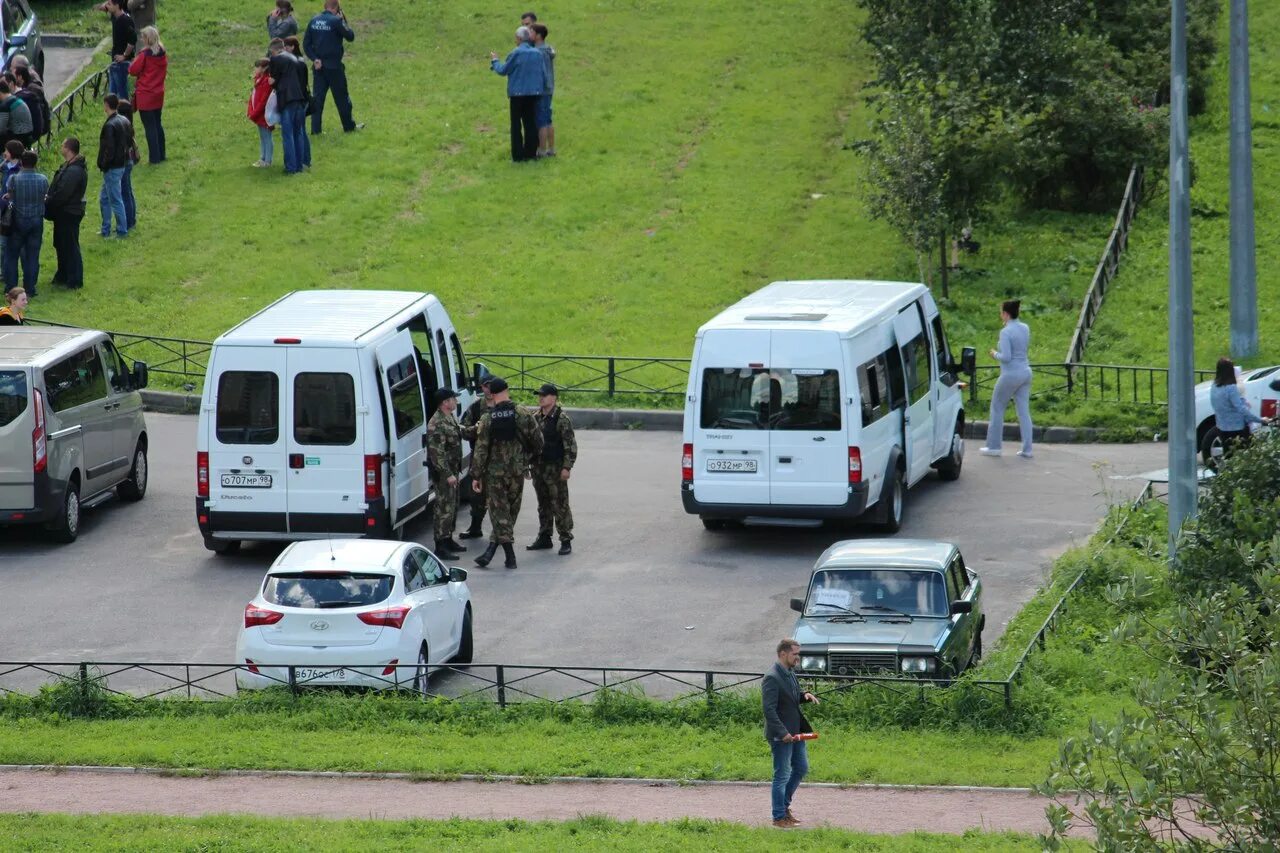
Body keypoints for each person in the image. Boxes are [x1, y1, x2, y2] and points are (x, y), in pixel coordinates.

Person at [470, 376, 543, 569]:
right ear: (507, 390)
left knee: (499, 513)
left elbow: (481, 449)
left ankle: (503, 554)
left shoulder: (487, 419)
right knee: (509, 512)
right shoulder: (523, 414)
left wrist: (476, 475)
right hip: (516, 472)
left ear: (492, 394)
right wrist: (526, 460)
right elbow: (538, 442)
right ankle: (499, 554)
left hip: (494, 475)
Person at [762, 638, 820, 829]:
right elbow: (769, 710)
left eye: (798, 653)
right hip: (782, 736)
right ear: (783, 654)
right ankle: (778, 817)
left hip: (796, 733)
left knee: (801, 768)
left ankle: (784, 807)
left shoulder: (789, 673)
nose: (798, 657)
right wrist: (782, 732)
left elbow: (791, 697)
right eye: (795, 654)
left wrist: (804, 696)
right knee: (782, 775)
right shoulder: (772, 677)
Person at [980, 299, 1033, 458]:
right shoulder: (1025, 328)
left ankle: (994, 447)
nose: (1000, 315)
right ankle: (1027, 449)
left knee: (997, 407)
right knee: (1024, 412)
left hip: (1010, 374)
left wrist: (994, 353)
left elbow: (1007, 357)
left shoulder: (1005, 332)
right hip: (1026, 372)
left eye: (1001, 312)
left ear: (1006, 314)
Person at [527, 383, 576, 555]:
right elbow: (530, 443)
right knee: (543, 504)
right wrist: (528, 464)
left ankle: (565, 538)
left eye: (544, 395)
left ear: (554, 398)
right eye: (539, 395)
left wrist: (566, 467)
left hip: (555, 469)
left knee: (560, 504)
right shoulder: (535, 417)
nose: (541, 398)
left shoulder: (562, 419)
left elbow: (570, 446)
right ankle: (545, 536)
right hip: (539, 468)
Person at [490, 27, 548, 163]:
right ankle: (531, 154)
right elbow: (544, 75)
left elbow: (503, 70)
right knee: (531, 124)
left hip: (517, 94)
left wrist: (495, 61)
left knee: (516, 125)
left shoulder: (516, 53)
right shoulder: (538, 54)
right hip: (534, 93)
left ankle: (517, 155)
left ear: (520, 39)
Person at [304, 0, 361, 135]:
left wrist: (314, 59)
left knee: (318, 99)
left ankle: (316, 130)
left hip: (318, 67)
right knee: (342, 98)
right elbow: (350, 36)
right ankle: (349, 126)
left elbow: (306, 44)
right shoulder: (336, 21)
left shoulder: (313, 20)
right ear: (336, 8)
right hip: (334, 67)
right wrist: (343, 20)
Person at [427, 388, 469, 558]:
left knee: (452, 506)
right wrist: (447, 474)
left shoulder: (449, 418)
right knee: (443, 508)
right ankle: (441, 545)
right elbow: (437, 453)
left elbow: (457, 432)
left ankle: (448, 538)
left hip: (453, 470)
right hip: (445, 474)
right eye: (453, 399)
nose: (456, 401)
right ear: (445, 402)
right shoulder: (437, 423)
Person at [44, 138, 88, 290]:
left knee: (70, 245)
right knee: (61, 244)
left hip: (69, 212)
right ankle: (63, 274)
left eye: (63, 145)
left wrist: (49, 200)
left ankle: (75, 279)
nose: (61, 147)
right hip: (63, 212)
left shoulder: (74, 170)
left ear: (68, 149)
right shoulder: (69, 167)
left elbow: (64, 193)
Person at [2, 151, 47, 295]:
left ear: (21, 162)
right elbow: (45, 195)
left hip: (17, 220)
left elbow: (10, 196)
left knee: (12, 255)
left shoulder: (14, 179)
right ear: (35, 163)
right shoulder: (43, 179)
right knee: (32, 255)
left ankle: (11, 287)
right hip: (36, 220)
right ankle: (30, 288)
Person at [458, 375, 494, 540]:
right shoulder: (476, 408)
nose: (489, 389)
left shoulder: (506, 407)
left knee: (500, 496)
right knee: (477, 494)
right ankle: (475, 527)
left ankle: (502, 531)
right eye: (486, 386)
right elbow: (463, 430)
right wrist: (475, 429)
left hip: (500, 459)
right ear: (482, 387)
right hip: (479, 458)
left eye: (492, 386)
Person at [1210, 357, 1266, 460]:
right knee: (1247, 457)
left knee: (1228, 456)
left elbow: (1214, 404)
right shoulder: (1231, 388)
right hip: (1237, 429)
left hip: (1222, 427)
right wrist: (1260, 420)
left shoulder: (1214, 386)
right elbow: (1241, 409)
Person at [267, 38, 308, 175]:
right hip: (299, 97)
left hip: (286, 98)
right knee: (298, 132)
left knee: (288, 134)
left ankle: (290, 167)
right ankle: (299, 165)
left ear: (274, 50)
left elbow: (272, 80)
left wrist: (271, 82)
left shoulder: (276, 60)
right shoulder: (295, 59)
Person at [128, 26, 166, 164]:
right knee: (157, 124)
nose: (141, 39)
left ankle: (154, 158)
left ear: (147, 39)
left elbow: (133, 70)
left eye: (143, 37)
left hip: (145, 94)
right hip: (158, 93)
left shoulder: (144, 55)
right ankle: (162, 154)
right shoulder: (162, 52)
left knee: (149, 127)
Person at [98, 94, 131, 238]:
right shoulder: (124, 120)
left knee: (115, 200)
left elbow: (109, 149)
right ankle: (106, 229)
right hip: (122, 163)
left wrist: (104, 164)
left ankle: (121, 231)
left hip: (113, 167)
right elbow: (129, 140)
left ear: (106, 105)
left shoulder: (110, 125)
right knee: (104, 198)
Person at [282, 37, 313, 168]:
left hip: (297, 99)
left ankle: (301, 160)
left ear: (292, 47)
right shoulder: (301, 61)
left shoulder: (293, 63)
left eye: (286, 46)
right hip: (303, 98)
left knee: (298, 130)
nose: (284, 49)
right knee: (301, 130)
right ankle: (305, 160)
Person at [530, 24, 555, 158]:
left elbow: (541, 73)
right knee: (548, 119)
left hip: (542, 90)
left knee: (541, 121)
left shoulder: (538, 52)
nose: (529, 34)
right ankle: (551, 149)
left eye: (531, 31)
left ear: (538, 35)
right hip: (549, 89)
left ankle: (542, 150)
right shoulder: (548, 49)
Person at [104, 0, 137, 100]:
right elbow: (102, 7)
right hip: (115, 63)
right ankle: (113, 113)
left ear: (117, 6)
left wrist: (125, 55)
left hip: (121, 64)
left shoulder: (126, 20)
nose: (107, 6)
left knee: (122, 95)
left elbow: (133, 39)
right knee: (112, 96)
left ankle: (125, 113)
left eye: (109, 4)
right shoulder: (115, 17)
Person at [247, 58, 276, 168]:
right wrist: (251, 111)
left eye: (257, 67)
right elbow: (253, 97)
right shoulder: (258, 80)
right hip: (259, 114)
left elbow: (263, 101)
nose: (255, 69)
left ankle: (268, 161)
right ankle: (262, 158)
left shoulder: (267, 82)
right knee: (262, 137)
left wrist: (254, 113)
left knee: (267, 137)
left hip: (265, 114)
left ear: (264, 68)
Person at [116, 99, 139, 230]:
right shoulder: (129, 125)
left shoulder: (122, 126)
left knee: (125, 192)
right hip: (129, 160)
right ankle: (131, 219)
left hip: (124, 161)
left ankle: (129, 221)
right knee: (128, 191)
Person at [13, 66, 50, 145]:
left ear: (19, 77)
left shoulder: (31, 90)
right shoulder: (26, 88)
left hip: (34, 131)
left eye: (13, 75)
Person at [0, 79, 34, 147]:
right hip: (28, 133)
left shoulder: (5, 105)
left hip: (19, 137)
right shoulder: (15, 98)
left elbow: (1, 129)